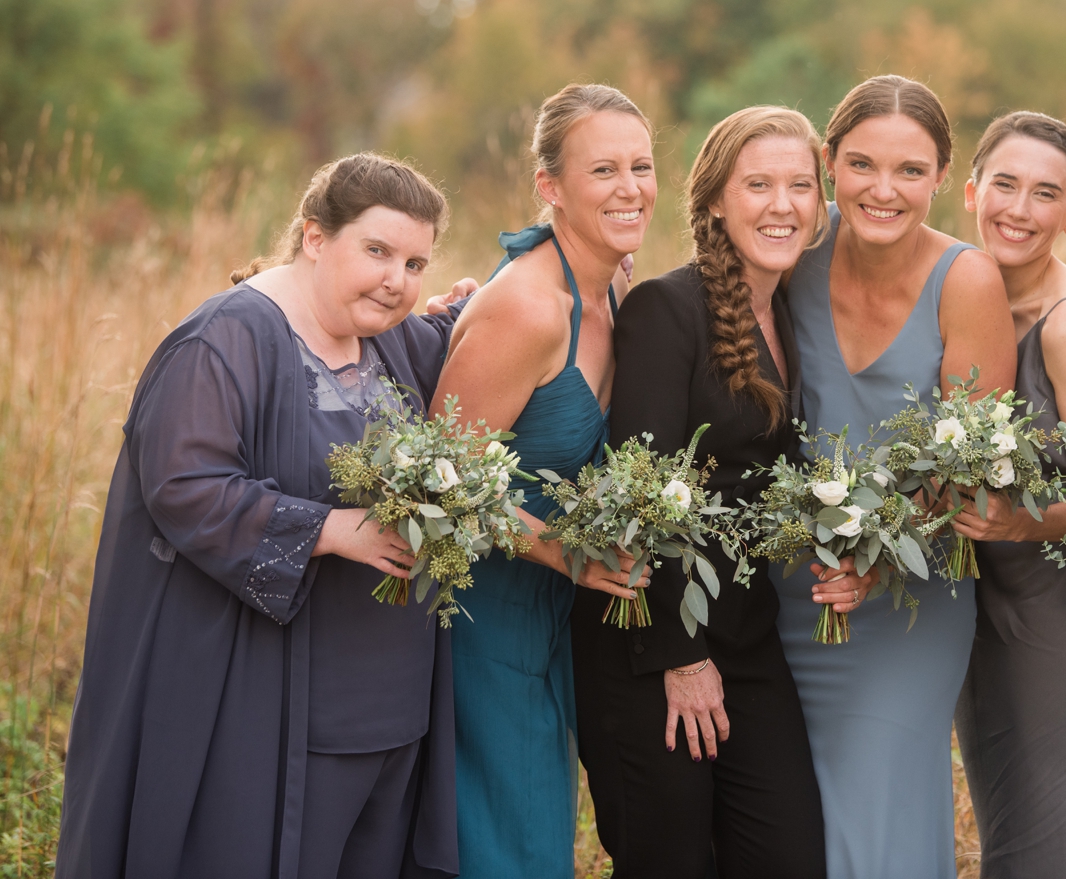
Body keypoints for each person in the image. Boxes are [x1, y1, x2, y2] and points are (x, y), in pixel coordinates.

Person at [57, 154, 461, 879]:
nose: (397, 279)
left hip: (392, 701)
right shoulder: (225, 339)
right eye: (377, 250)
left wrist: (502, 290)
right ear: (314, 237)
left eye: (415, 261)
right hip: (275, 703)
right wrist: (330, 529)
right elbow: (184, 482)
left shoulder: (392, 336)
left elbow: (465, 338)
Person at [574, 106, 832, 878]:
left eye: (800, 185)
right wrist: (680, 656)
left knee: (789, 854)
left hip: (749, 636)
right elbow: (639, 490)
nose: (782, 204)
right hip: (649, 638)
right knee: (671, 862)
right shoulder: (667, 307)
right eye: (758, 184)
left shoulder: (794, 309)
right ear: (716, 199)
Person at [778, 75, 1015, 879]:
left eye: (910, 170)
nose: (884, 190)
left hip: (914, 591)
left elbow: (971, 462)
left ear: (943, 177)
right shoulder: (790, 255)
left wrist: (881, 562)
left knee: (874, 809)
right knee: (792, 818)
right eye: (862, 165)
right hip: (790, 586)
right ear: (827, 163)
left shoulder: (969, 279)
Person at [430, 83, 653, 879]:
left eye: (641, 165)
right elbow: (437, 481)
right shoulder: (526, 306)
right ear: (550, 187)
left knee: (540, 829)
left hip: (559, 610)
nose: (630, 188)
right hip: (486, 611)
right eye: (603, 170)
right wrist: (562, 551)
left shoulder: (615, 283)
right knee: (509, 842)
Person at [949, 112, 1066, 878]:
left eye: (1045, 193)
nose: (1018, 209)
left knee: (1057, 851)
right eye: (1005, 184)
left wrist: (1022, 523)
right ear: (971, 190)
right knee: (1007, 842)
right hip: (979, 621)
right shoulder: (958, 294)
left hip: (1056, 626)